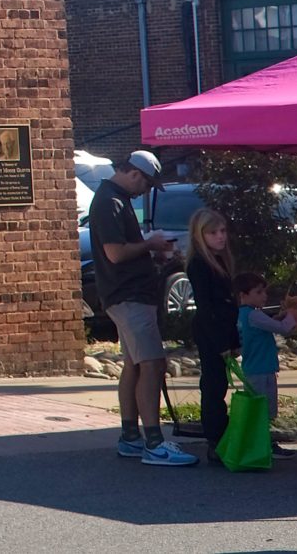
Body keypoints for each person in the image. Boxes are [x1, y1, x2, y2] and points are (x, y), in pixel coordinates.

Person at [89, 150, 194, 465]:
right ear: (136, 174)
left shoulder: (113, 198)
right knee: (152, 364)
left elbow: (121, 252)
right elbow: (115, 254)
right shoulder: (111, 202)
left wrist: (150, 252)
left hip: (126, 294)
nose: (145, 191)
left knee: (134, 365)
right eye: (147, 185)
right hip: (129, 296)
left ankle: (131, 438)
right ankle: (154, 442)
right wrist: (151, 244)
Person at [185, 208, 238, 462]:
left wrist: (234, 340)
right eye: (213, 233)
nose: (221, 237)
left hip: (224, 327)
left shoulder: (221, 261)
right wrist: (221, 342)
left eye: (223, 231)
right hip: (210, 330)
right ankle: (214, 438)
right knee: (214, 385)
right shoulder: (199, 265)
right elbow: (206, 308)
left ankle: (222, 434)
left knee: (221, 383)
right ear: (200, 235)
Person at [237, 272, 297, 456]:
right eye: (258, 292)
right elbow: (282, 329)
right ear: (243, 294)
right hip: (261, 369)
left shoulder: (246, 315)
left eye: (264, 292)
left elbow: (269, 324)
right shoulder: (254, 316)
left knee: (260, 410)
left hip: (254, 368)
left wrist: (281, 315)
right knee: (263, 411)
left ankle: (262, 442)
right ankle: (262, 444)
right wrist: (291, 313)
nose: (264, 296)